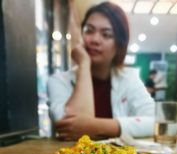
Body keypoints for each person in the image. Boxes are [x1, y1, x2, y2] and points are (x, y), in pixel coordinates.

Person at [48, 1, 155, 141]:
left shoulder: (129, 78)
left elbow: (156, 121)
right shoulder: (58, 81)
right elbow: (71, 129)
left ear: (119, 45)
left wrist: (99, 127)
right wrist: (84, 65)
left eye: (106, 34)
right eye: (89, 30)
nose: (95, 40)